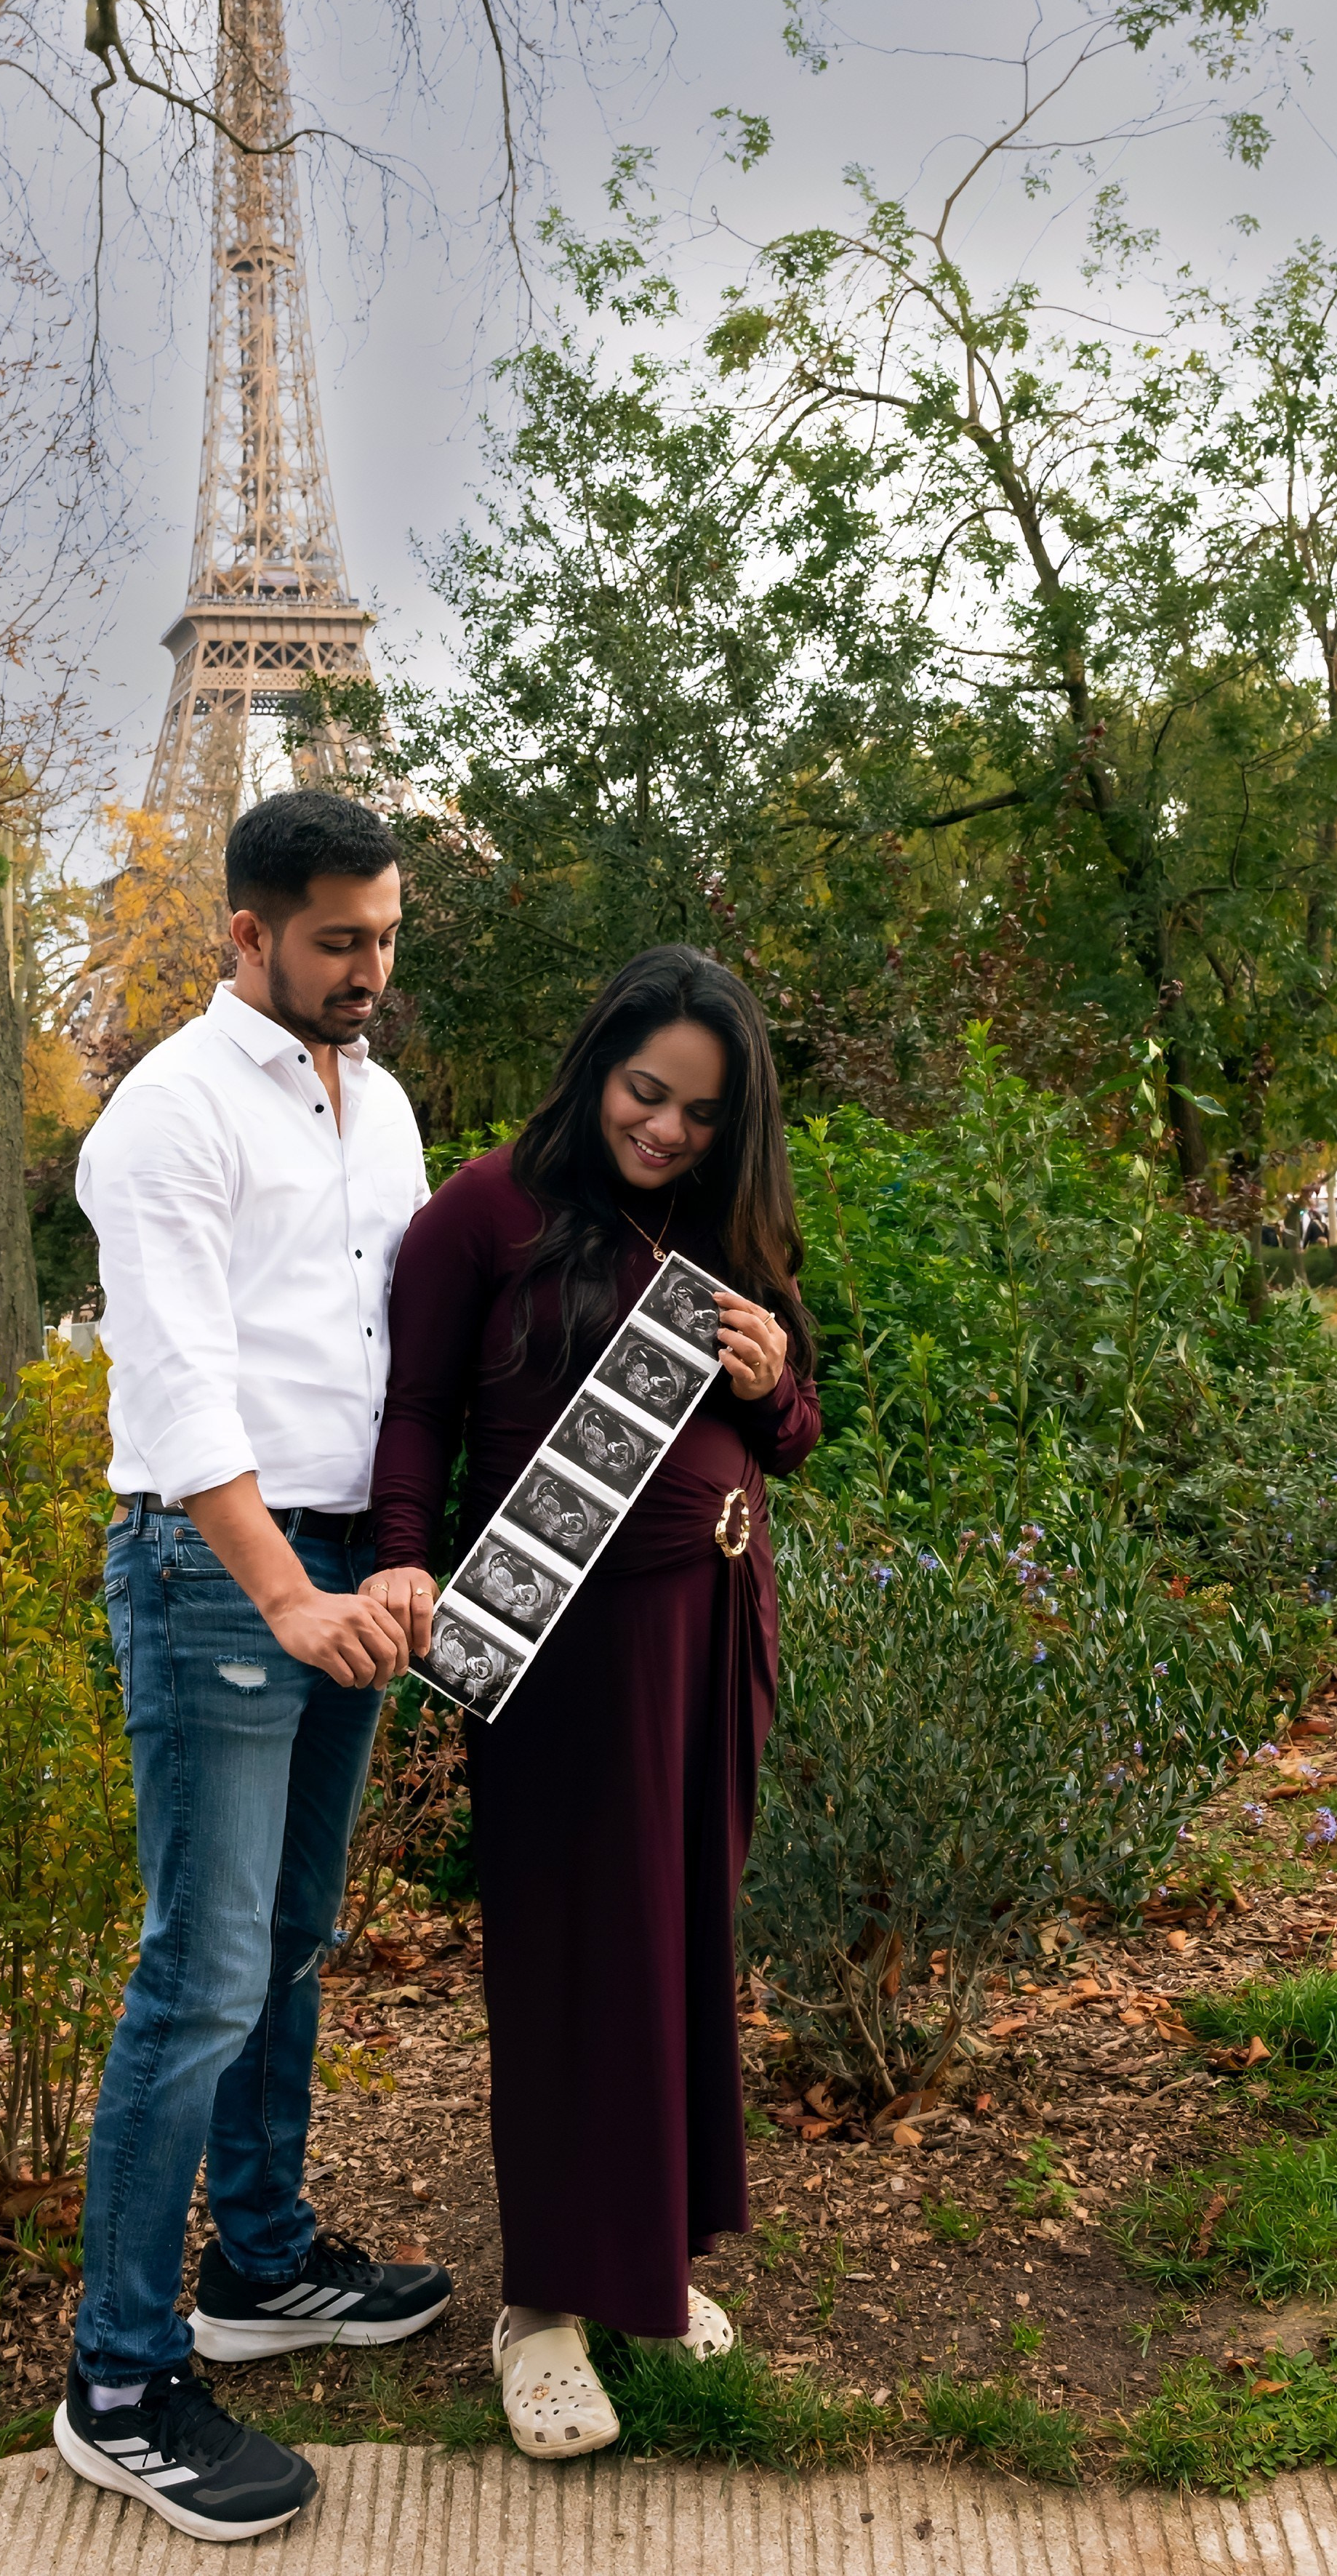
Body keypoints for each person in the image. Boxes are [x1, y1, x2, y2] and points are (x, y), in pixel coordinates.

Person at [56, 790, 452, 2545]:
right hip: (224, 1578)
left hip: (351, 1561)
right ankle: (121, 2375)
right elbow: (179, 1384)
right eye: (336, 941)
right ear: (245, 933)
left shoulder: (381, 1103)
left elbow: (399, 1344)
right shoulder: (167, 1115)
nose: (368, 970)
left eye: (384, 937)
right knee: (199, 1974)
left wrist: (404, 1549)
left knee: (293, 1939)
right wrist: (292, 1592)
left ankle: (261, 2264)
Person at [365, 945, 822, 2460]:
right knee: (575, 1961)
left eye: (700, 1111)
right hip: (555, 1645)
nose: (667, 1131)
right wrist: (400, 1570)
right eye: (646, 1093)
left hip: (715, 1629)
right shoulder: (480, 1212)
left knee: (679, 1951)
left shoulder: (723, 1222)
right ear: (593, 1065)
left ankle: (645, 2265)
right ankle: (542, 2307)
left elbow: (798, 1428)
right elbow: (419, 1411)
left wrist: (766, 1377)